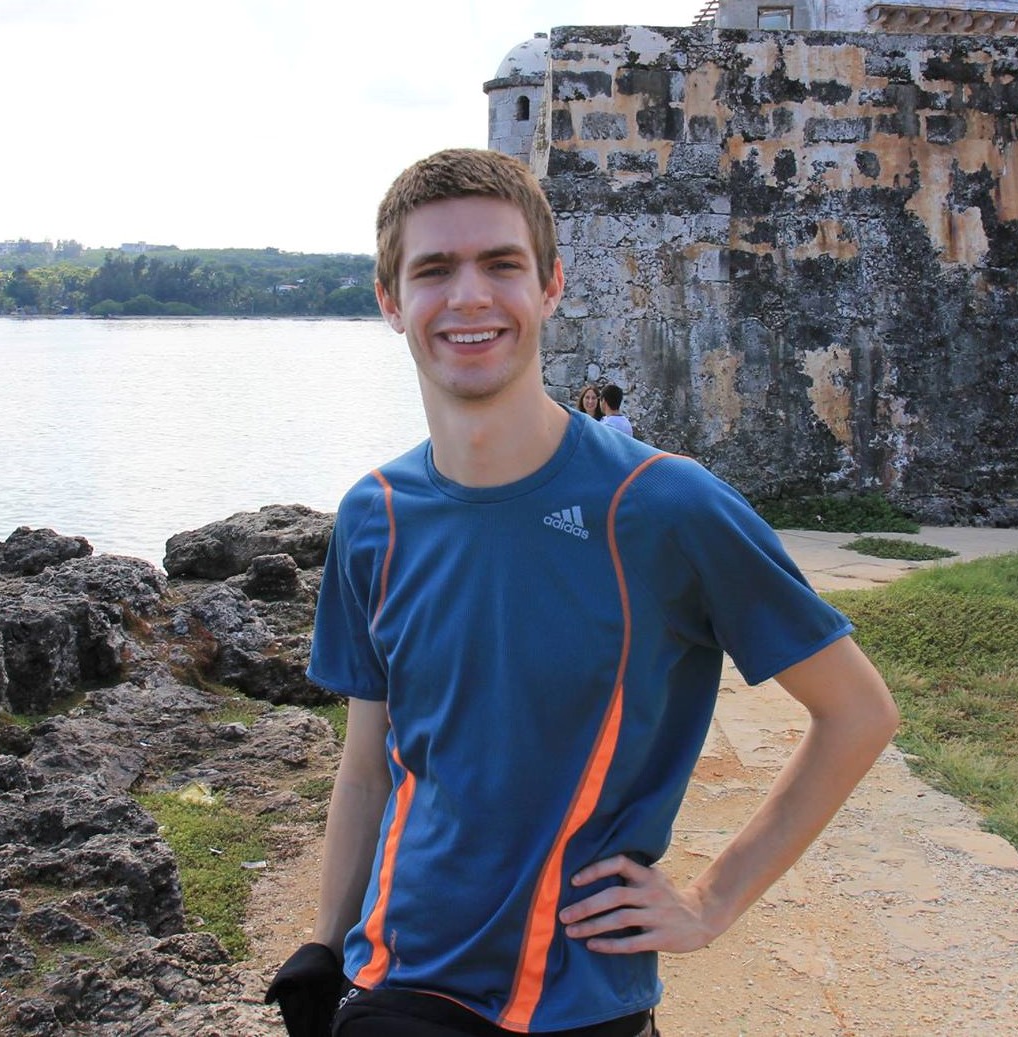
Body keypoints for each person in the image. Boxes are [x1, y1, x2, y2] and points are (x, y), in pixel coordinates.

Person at [265, 149, 899, 1037]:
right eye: (433, 270)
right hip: (396, 984)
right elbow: (368, 766)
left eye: (501, 264)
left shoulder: (665, 505)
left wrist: (713, 900)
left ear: (550, 285)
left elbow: (858, 713)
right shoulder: (372, 516)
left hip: (575, 1000)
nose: (469, 296)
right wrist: (324, 946)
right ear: (389, 300)